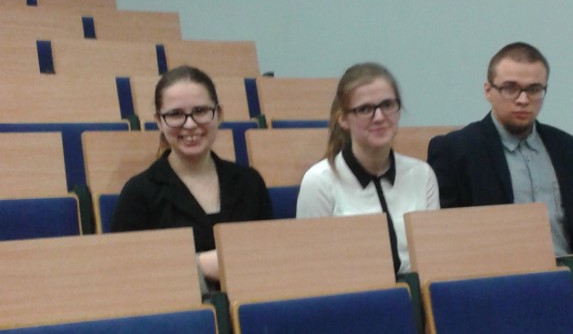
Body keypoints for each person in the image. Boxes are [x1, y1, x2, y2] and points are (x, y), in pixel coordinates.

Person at [427, 42, 573, 255]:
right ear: (488, 91)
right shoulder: (455, 150)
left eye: (534, 90)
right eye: (510, 88)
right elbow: (446, 238)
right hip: (497, 273)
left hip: (568, 270)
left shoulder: (564, 146)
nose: (523, 100)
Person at [111, 65, 272, 286]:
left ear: (219, 114)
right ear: (158, 121)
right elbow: (126, 274)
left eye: (200, 111)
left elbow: (269, 258)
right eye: (175, 114)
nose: (190, 124)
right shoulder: (138, 194)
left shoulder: (250, 183)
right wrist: (199, 266)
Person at [296, 61, 439, 273]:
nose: (379, 117)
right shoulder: (319, 181)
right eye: (365, 109)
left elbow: (433, 259)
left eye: (388, 105)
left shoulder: (422, 174)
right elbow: (312, 268)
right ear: (343, 119)